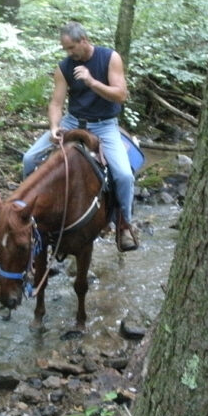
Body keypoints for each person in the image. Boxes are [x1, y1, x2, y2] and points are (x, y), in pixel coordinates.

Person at [22, 21, 138, 251]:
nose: (69, 53)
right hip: (72, 122)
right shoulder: (64, 67)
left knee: (124, 175)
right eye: (65, 49)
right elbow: (56, 102)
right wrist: (55, 126)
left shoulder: (109, 58)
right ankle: (26, 215)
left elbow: (120, 94)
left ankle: (124, 223)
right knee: (29, 159)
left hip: (104, 126)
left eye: (71, 48)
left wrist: (91, 81)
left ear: (83, 40)